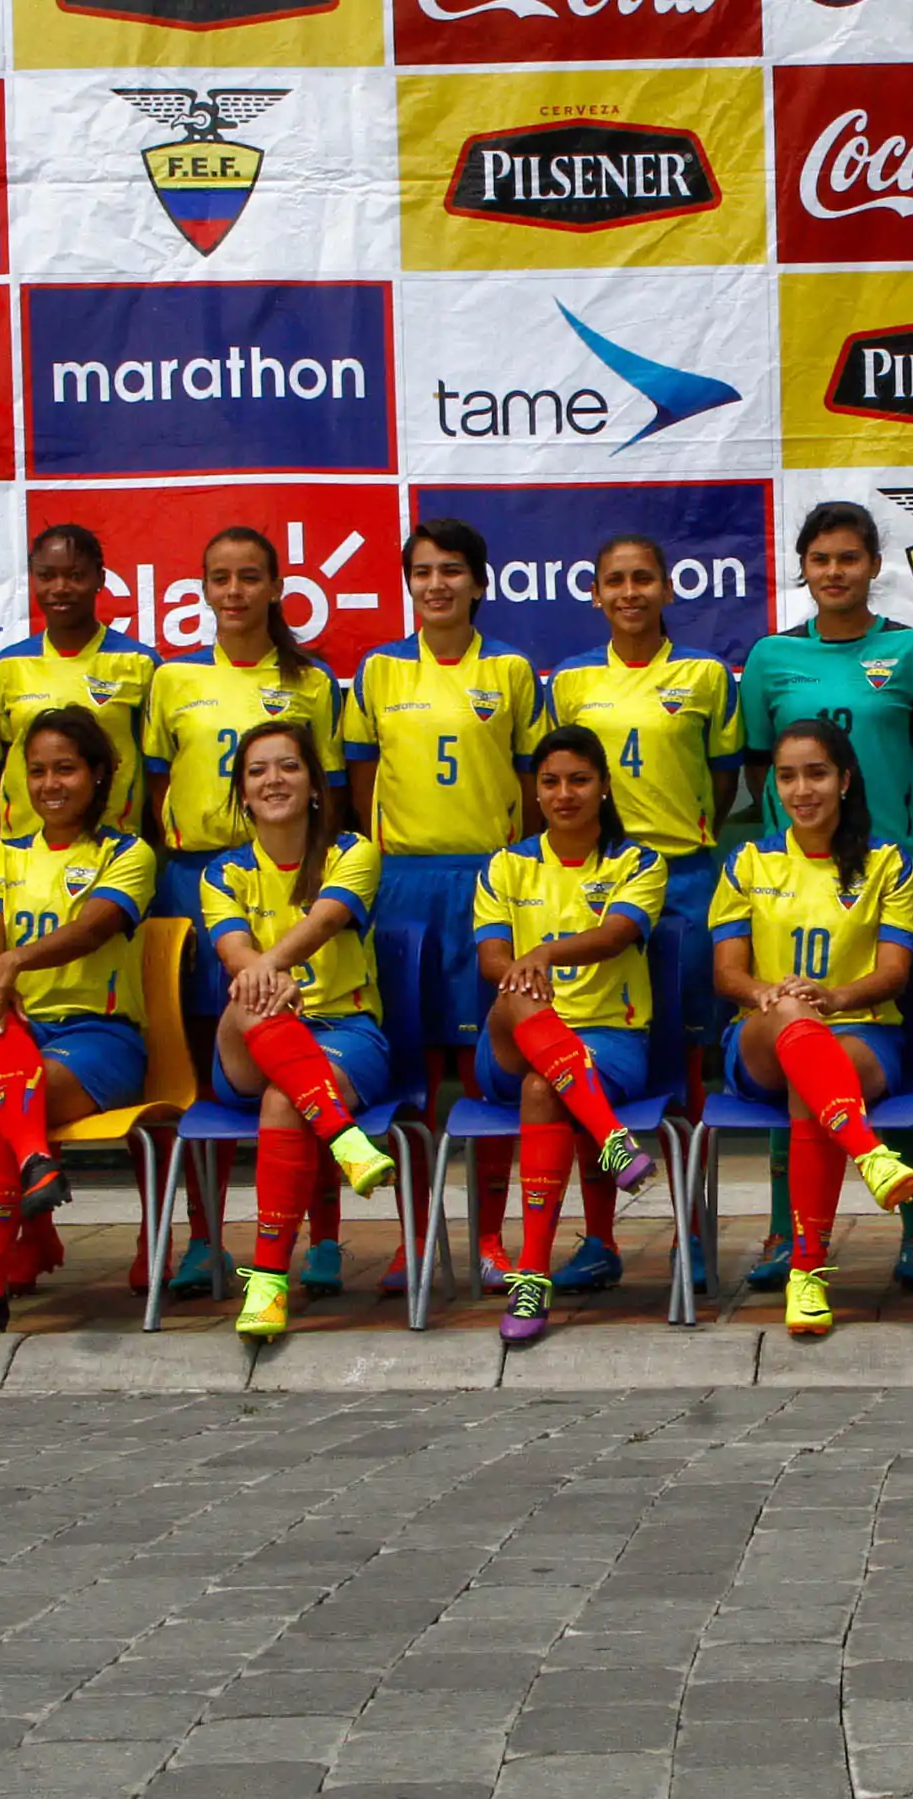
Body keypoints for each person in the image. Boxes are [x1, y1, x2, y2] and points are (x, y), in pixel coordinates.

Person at [736, 503, 913, 1290]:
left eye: (849, 557)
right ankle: (779, 1229)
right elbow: (763, 767)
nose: (834, 571)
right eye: (820, 558)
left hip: (889, 885)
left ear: (872, 566)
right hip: (794, 888)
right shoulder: (769, 658)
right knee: (787, 1030)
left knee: (912, 1065)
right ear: (803, 567)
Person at [346, 520, 551, 1297]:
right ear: (408, 583)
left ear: (478, 582)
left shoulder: (510, 670)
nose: (436, 585)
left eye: (452, 571)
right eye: (422, 571)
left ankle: (492, 1237)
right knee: (413, 1067)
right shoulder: (378, 670)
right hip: (403, 886)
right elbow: (360, 787)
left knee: (487, 1065)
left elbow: (533, 783)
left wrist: (514, 879)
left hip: (487, 883)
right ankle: (414, 1237)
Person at [146, 528, 342, 1297]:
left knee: (306, 1045)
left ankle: (323, 1234)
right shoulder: (172, 679)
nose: (233, 592)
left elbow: (332, 792)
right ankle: (203, 1236)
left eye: (249, 578)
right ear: (202, 587)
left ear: (274, 587)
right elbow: (154, 791)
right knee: (203, 1062)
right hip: (200, 880)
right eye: (219, 578)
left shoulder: (312, 680)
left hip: (290, 876)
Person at [545, 534, 742, 1295]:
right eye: (613, 580)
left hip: (684, 881)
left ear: (666, 588)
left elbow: (723, 783)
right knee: (585, 1054)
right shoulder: (568, 681)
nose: (628, 591)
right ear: (594, 594)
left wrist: (674, 844)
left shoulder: (701, 675)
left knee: (684, 1062)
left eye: (642, 578)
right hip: (595, 879)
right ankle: (598, 1237)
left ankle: (691, 1232)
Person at [0, 710, 158, 1345]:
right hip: (11, 1031)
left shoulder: (127, 852)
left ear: (98, 776)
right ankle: (35, 1166)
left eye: (66, 768)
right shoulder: (0, 855)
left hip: (97, 1036)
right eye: (37, 771)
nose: (50, 783)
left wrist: (10, 966)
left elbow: (95, 927)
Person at [711, 720, 913, 1339]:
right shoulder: (749, 859)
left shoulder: (887, 862)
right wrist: (770, 994)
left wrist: (832, 996)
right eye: (786, 776)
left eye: (816, 773)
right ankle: (867, 1152)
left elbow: (894, 973)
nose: (801, 790)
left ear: (845, 779)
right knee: (790, 1019)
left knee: (813, 1076)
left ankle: (806, 1274)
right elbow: (728, 974)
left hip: (862, 1033)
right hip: (759, 1037)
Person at [200, 721, 400, 1340]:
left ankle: (267, 1282)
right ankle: (343, 1138)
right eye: (257, 771)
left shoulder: (352, 851)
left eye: (288, 766)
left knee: (286, 1095)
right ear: (242, 792)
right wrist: (267, 976)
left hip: (345, 1031)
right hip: (252, 1033)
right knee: (255, 1003)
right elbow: (235, 953)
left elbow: (326, 919)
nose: (273, 780)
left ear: (315, 783)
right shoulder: (221, 871)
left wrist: (270, 966)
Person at [472, 726, 669, 1348]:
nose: (564, 794)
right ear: (535, 789)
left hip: (611, 1043)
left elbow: (614, 937)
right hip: (513, 1035)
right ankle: (612, 1139)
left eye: (579, 780)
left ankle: (532, 1276)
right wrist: (526, 970)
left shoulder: (638, 862)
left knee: (542, 1089)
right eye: (551, 782)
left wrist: (545, 951)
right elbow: (490, 959)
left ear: (605, 787)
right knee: (517, 996)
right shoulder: (505, 864)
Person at [0, 525, 159, 842]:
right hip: (24, 850)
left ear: (100, 579)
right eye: (46, 576)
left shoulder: (139, 664)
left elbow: (157, 771)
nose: (60, 587)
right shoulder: (8, 665)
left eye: (75, 575)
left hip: (112, 847)